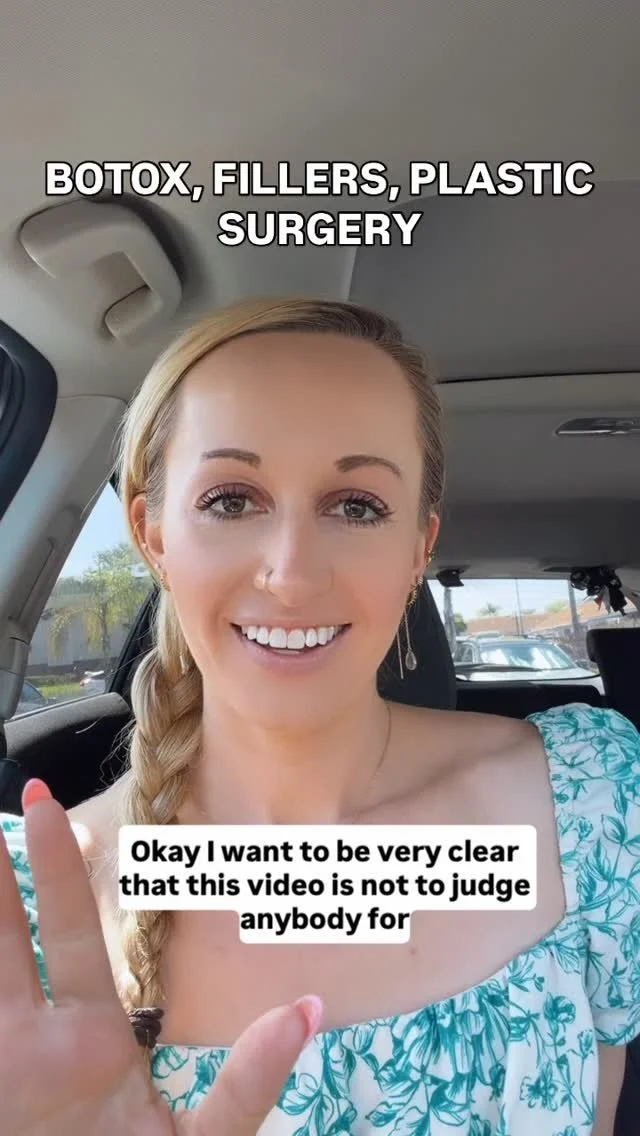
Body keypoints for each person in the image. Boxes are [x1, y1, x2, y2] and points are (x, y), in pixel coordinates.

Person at [1, 297, 639, 1135]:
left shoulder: (590, 803)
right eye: (232, 499)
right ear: (151, 534)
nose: (293, 574)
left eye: (356, 506)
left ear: (419, 548)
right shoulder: (30, 913)